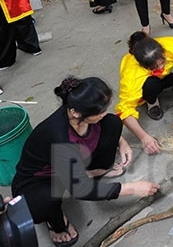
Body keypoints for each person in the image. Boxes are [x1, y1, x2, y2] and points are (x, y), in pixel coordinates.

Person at [12, 76, 160, 247]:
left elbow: (106, 122)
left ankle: (96, 170)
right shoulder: (60, 137)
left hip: (73, 161)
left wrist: (121, 142)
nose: (104, 113)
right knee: (43, 203)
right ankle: (55, 221)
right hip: (41, 179)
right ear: (75, 112)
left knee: (112, 122)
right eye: (99, 111)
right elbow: (81, 190)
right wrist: (132, 188)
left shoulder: (80, 115)